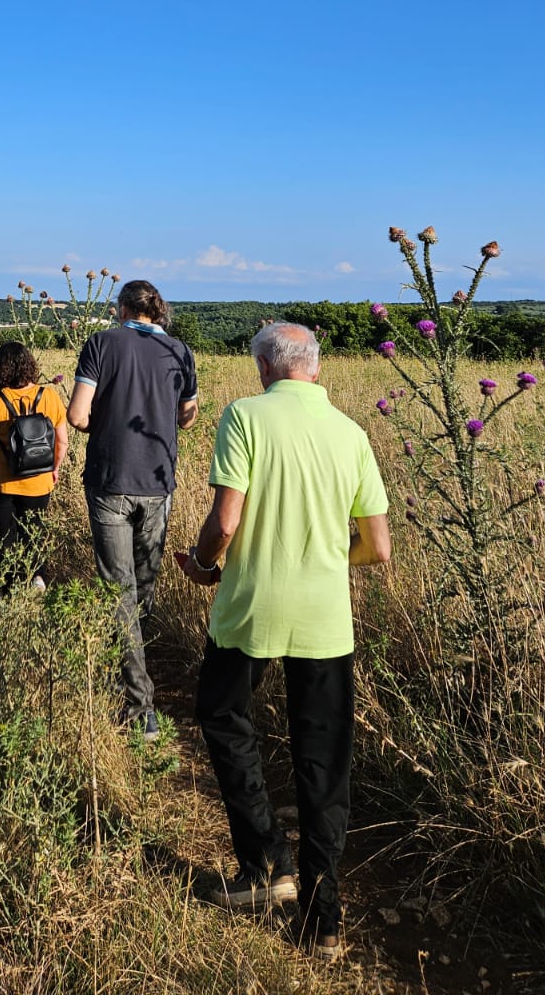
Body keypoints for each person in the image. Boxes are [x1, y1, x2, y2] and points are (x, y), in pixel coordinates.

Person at [181, 322, 390, 960]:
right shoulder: (351, 434)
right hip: (326, 621)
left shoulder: (244, 417)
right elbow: (378, 547)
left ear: (263, 369)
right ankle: (324, 921)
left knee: (221, 715)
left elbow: (225, 520)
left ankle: (266, 863)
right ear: (316, 370)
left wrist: (204, 562)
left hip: (250, 612)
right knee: (323, 765)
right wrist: (326, 556)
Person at [67, 279, 198, 739]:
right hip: (158, 482)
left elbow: (78, 416)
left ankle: (139, 706)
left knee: (117, 590)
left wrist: (107, 420)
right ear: (156, 312)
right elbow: (187, 415)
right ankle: (136, 676)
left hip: (110, 479)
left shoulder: (101, 344)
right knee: (143, 588)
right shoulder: (181, 352)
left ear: (122, 309)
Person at [0, 340, 68, 591]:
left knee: (6, 536)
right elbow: (63, 441)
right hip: (39, 480)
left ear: (1, 368)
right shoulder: (49, 395)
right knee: (33, 532)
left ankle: (9, 586)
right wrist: (54, 468)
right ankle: (37, 577)